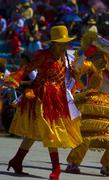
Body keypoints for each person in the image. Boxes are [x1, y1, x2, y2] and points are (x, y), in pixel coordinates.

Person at [4, 25, 82, 180]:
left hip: (58, 99)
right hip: (41, 98)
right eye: (61, 43)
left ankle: (17, 160)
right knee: (50, 131)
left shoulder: (66, 58)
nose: (64, 46)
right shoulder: (44, 55)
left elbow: (70, 78)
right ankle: (56, 168)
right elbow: (27, 68)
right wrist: (15, 78)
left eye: (65, 43)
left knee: (34, 133)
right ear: (54, 43)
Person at [66, 35, 109, 177]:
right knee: (85, 133)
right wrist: (87, 53)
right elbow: (77, 68)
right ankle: (74, 162)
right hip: (94, 102)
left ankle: (108, 166)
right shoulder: (97, 62)